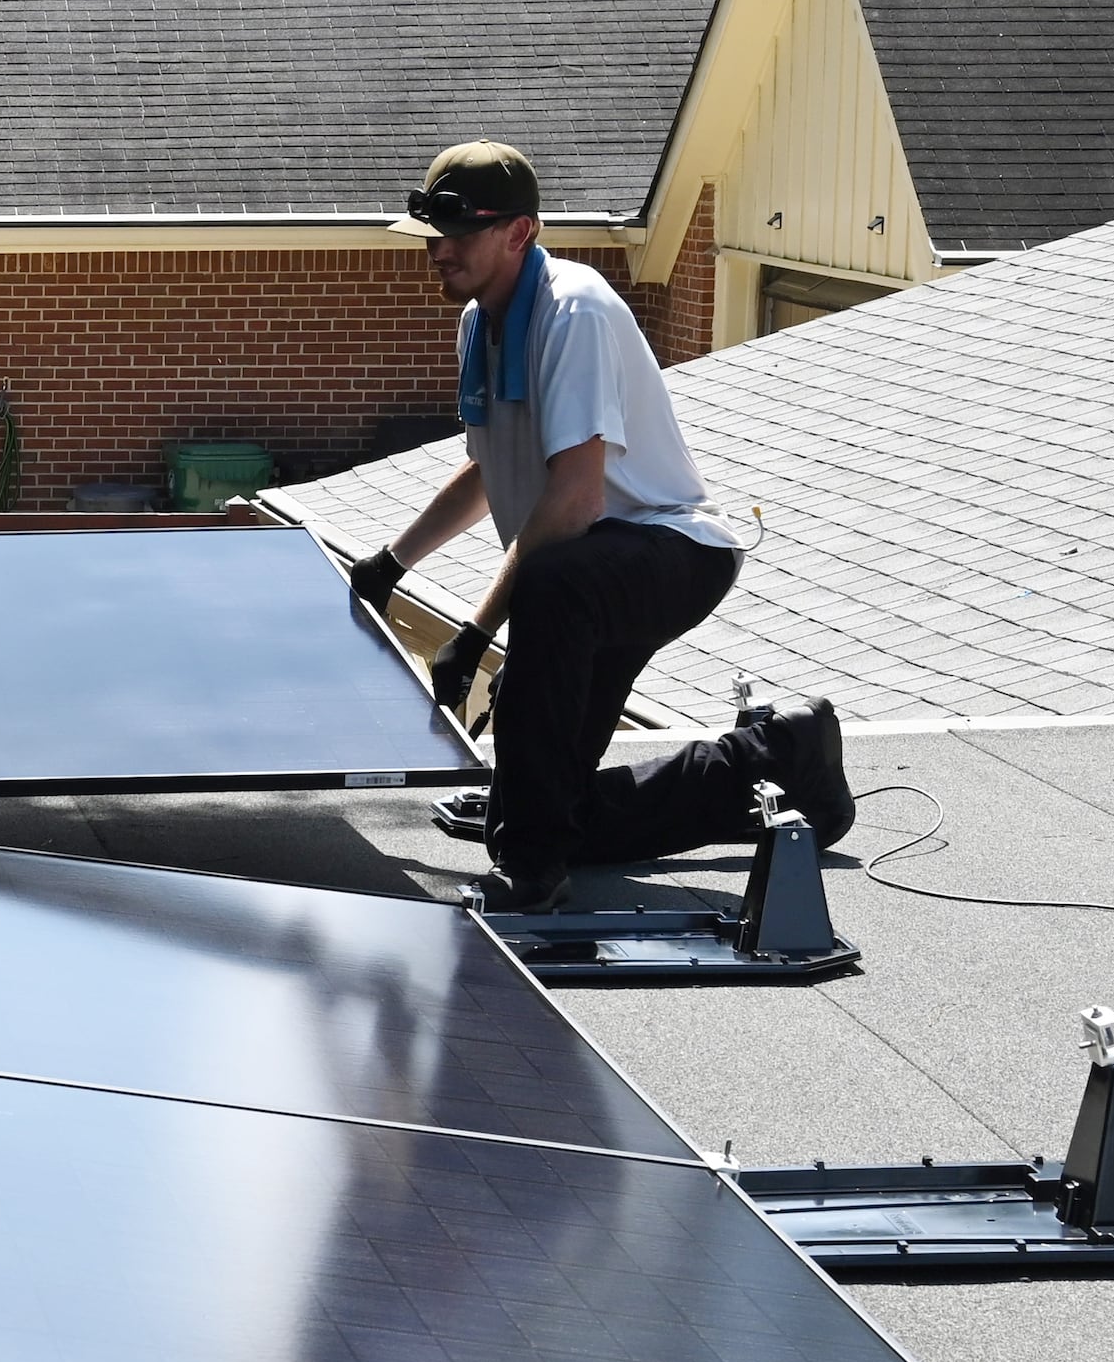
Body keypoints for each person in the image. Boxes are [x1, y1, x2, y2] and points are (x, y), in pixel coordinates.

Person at [346, 141, 852, 911]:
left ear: (520, 233)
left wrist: (478, 637)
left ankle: (531, 869)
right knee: (557, 801)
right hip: (590, 567)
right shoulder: (481, 323)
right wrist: (391, 564)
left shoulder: (572, 312)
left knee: (548, 595)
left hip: (668, 550)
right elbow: (490, 468)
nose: (437, 252)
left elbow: (576, 501)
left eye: (457, 233)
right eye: (429, 234)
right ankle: (775, 755)